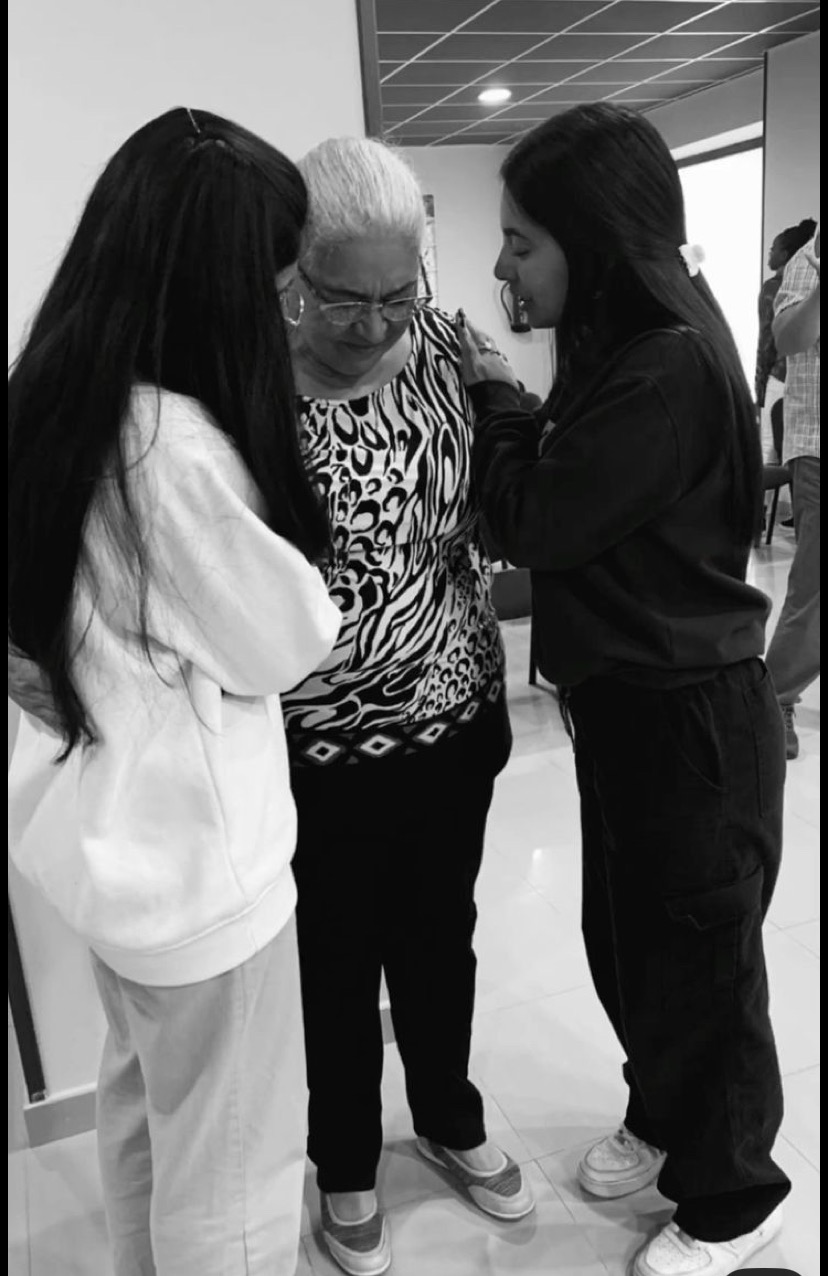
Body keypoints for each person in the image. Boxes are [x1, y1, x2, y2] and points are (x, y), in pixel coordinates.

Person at [456, 103, 790, 1276]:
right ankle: (663, 1114)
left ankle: (735, 1200)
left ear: (591, 240)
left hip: (689, 716)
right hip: (632, 707)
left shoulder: (663, 367)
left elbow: (532, 517)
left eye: (521, 241)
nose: (503, 267)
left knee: (702, 964)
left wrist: (495, 397)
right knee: (630, 940)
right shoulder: (622, 349)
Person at [7, 107, 342, 1276]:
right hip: (201, 885)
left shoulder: (50, 401)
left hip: (112, 872)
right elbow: (287, 640)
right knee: (237, 1178)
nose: (286, 318)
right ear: (219, 294)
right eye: (278, 292)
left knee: (146, 1123)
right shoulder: (172, 450)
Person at [282, 136, 533, 1276]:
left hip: (453, 714)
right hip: (315, 744)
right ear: (295, 270)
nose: (376, 321)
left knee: (442, 939)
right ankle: (344, 1159)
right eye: (347, 298)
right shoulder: (244, 379)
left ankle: (447, 1114)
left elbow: (512, 483)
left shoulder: (443, 346)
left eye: (398, 291)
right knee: (333, 965)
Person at [765, 224, 821, 759]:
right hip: (819, 448)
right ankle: (775, 695)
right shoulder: (806, 263)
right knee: (815, 586)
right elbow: (787, 340)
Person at [755, 219, 817, 465]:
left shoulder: (771, 287)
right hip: (800, 389)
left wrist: (760, 382)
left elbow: (766, 339)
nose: (770, 254)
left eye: (774, 248)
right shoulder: (804, 273)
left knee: (768, 454)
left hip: (779, 375)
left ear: (784, 253)